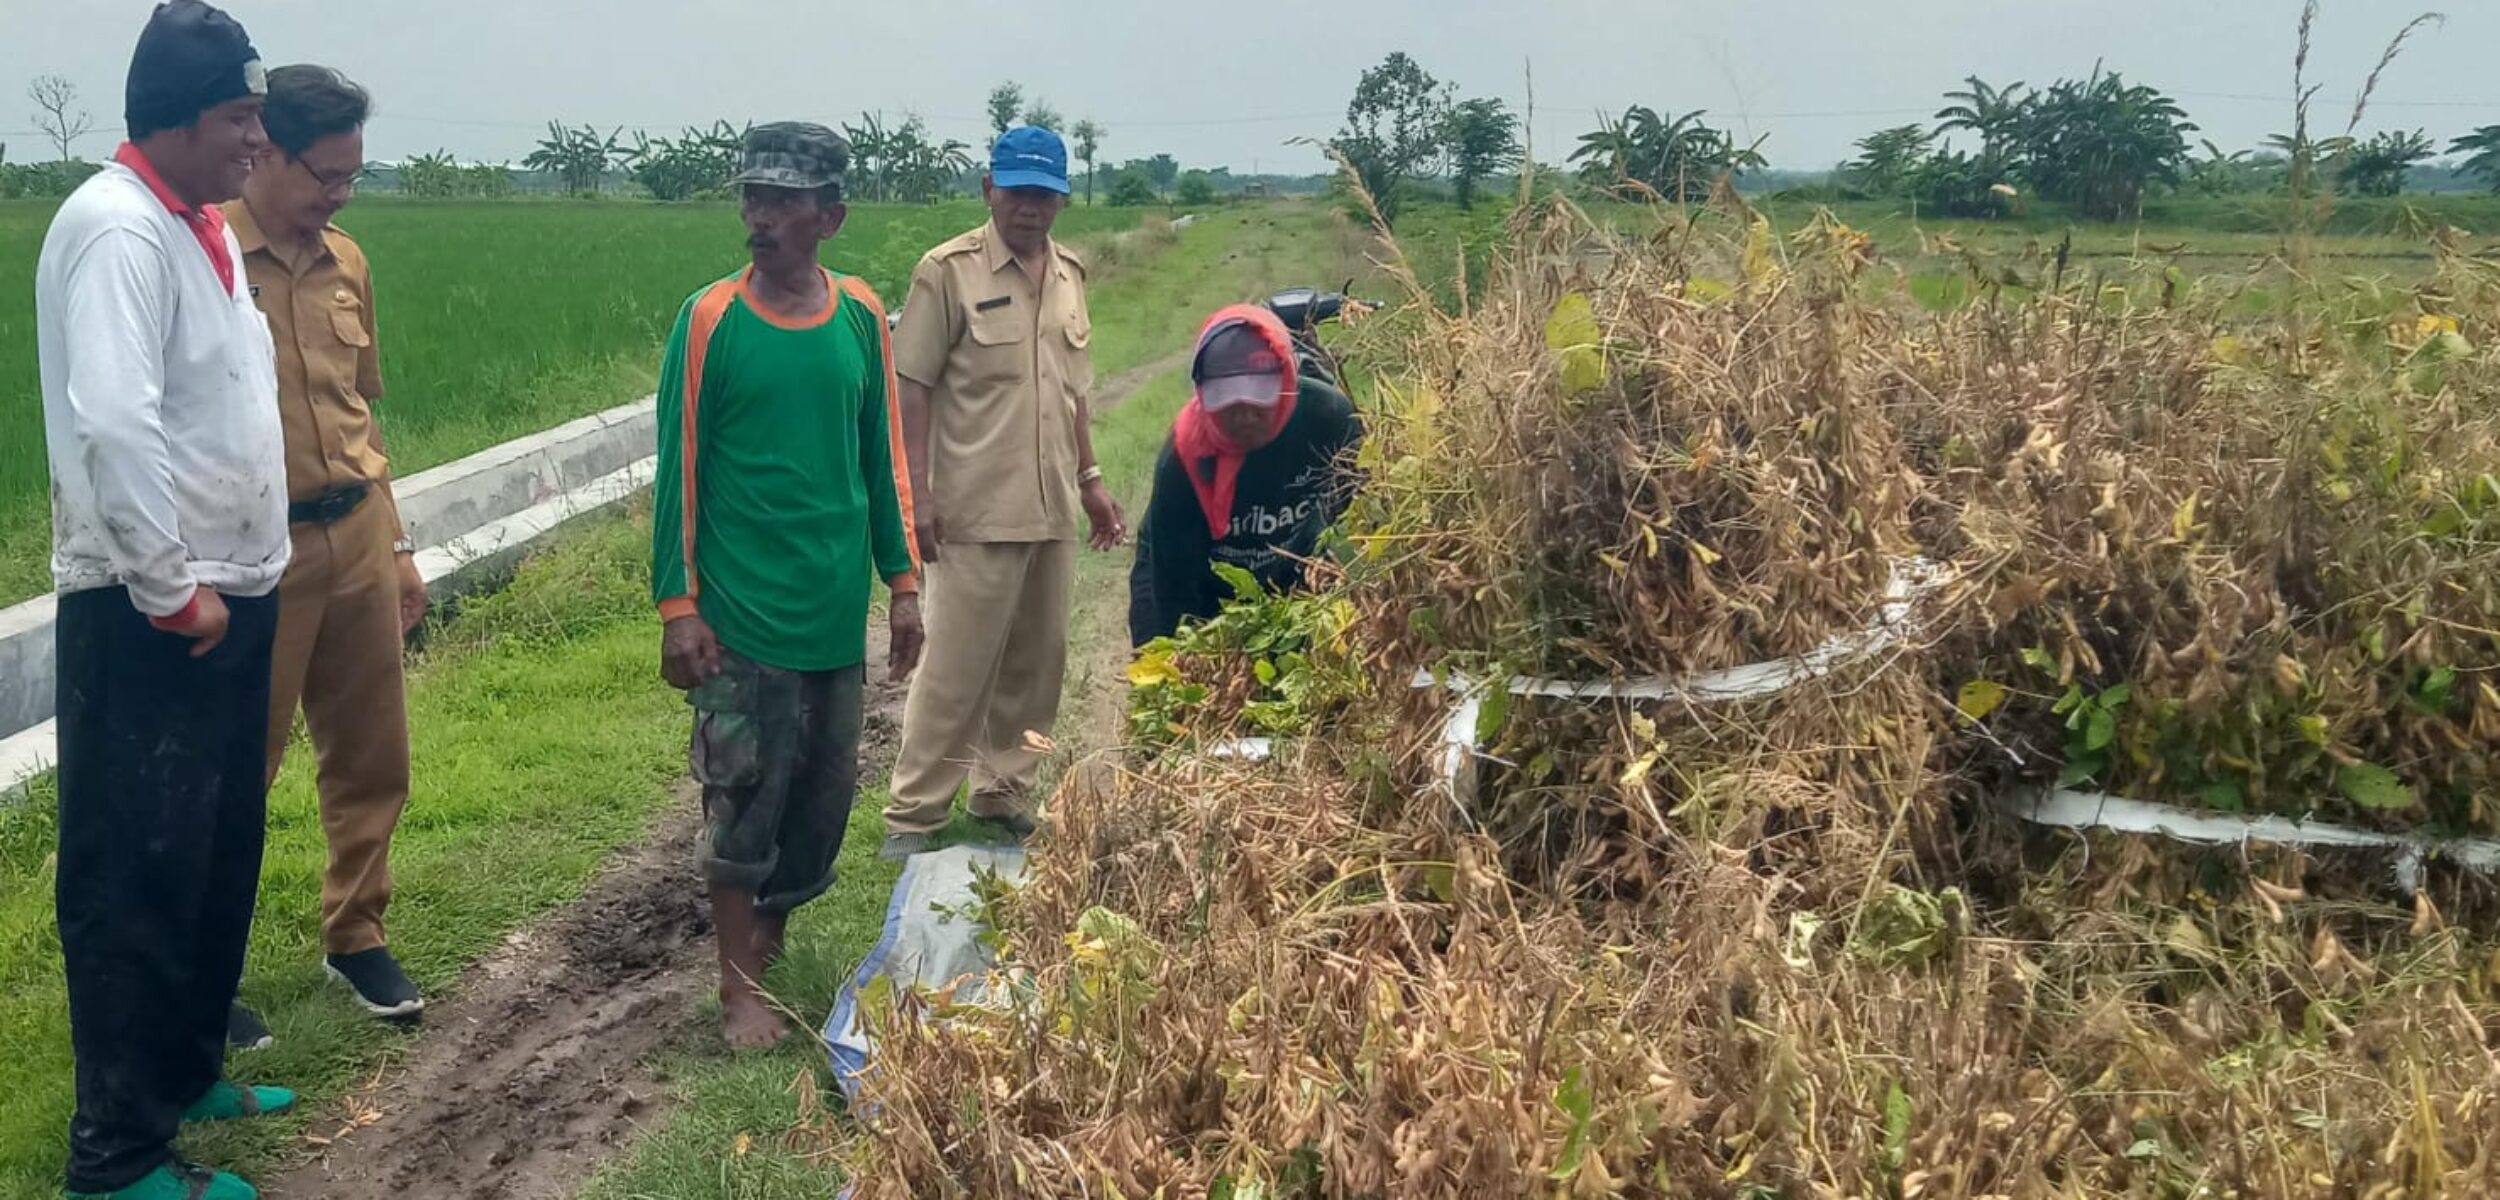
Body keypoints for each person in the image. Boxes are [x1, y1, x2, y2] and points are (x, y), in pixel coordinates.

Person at [36, 3, 298, 1197]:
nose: (258, 136)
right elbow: (113, 419)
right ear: (177, 118)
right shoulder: (115, 229)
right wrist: (170, 587)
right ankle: (121, 1154)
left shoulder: (201, 226)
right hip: (152, 612)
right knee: (134, 872)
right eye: (240, 116)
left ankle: (189, 1067)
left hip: (233, 593)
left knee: (210, 852)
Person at [650, 122, 925, 1049]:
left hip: (832, 613)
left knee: (820, 803)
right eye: (752, 200)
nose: (759, 219)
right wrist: (678, 606)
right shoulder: (709, 320)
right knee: (741, 803)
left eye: (782, 203)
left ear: (830, 216)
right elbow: (678, 472)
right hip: (740, 618)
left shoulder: (858, 316)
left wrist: (905, 582)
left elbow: (880, 460)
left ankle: (762, 952)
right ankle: (737, 996)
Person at [223, 64, 429, 1037]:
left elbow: (357, 416)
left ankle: (357, 936)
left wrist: (396, 548)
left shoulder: (347, 259)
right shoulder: (205, 255)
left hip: (354, 533)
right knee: (234, 772)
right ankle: (204, 974)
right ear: (261, 148)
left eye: (352, 176)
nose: (338, 195)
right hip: (253, 554)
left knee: (372, 756)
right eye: (325, 175)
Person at [882, 126, 1124, 861]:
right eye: (1016, 191)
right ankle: (914, 813)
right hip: (974, 505)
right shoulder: (946, 273)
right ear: (989, 189)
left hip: (1051, 502)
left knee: (1036, 661)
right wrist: (916, 496)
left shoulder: (1070, 275)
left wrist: (1091, 480)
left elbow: (1075, 392)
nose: (1030, 207)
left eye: (1044, 194)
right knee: (956, 665)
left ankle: (1002, 791)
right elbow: (912, 387)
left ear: (1062, 199)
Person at [1129, 305, 1365, 647]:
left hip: (1288, 570)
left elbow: (1356, 517)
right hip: (1189, 577)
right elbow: (1175, 593)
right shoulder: (1183, 459)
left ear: (1286, 383)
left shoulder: (1329, 419)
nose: (1244, 417)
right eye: (1227, 404)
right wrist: (1185, 658)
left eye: (1258, 401)